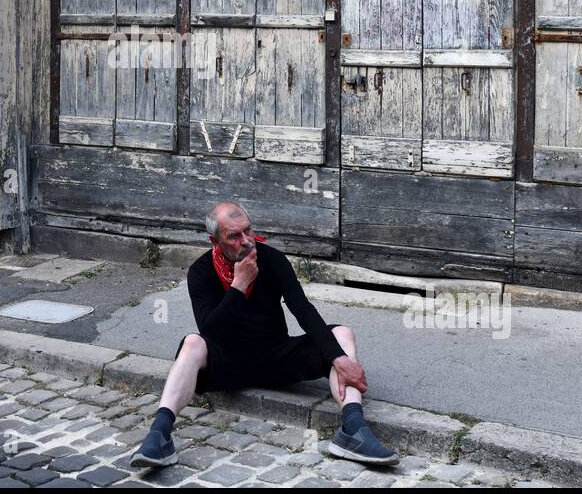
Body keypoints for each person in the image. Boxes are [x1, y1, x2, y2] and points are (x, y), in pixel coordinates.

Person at [130, 201, 400, 469]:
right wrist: (239, 285)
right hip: (229, 365)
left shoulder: (272, 259)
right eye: (234, 236)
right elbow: (210, 330)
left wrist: (338, 358)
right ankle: (159, 435)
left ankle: (353, 429)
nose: (246, 241)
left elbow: (303, 310)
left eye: (248, 231)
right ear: (214, 240)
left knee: (342, 335)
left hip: (276, 358)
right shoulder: (200, 272)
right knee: (192, 343)